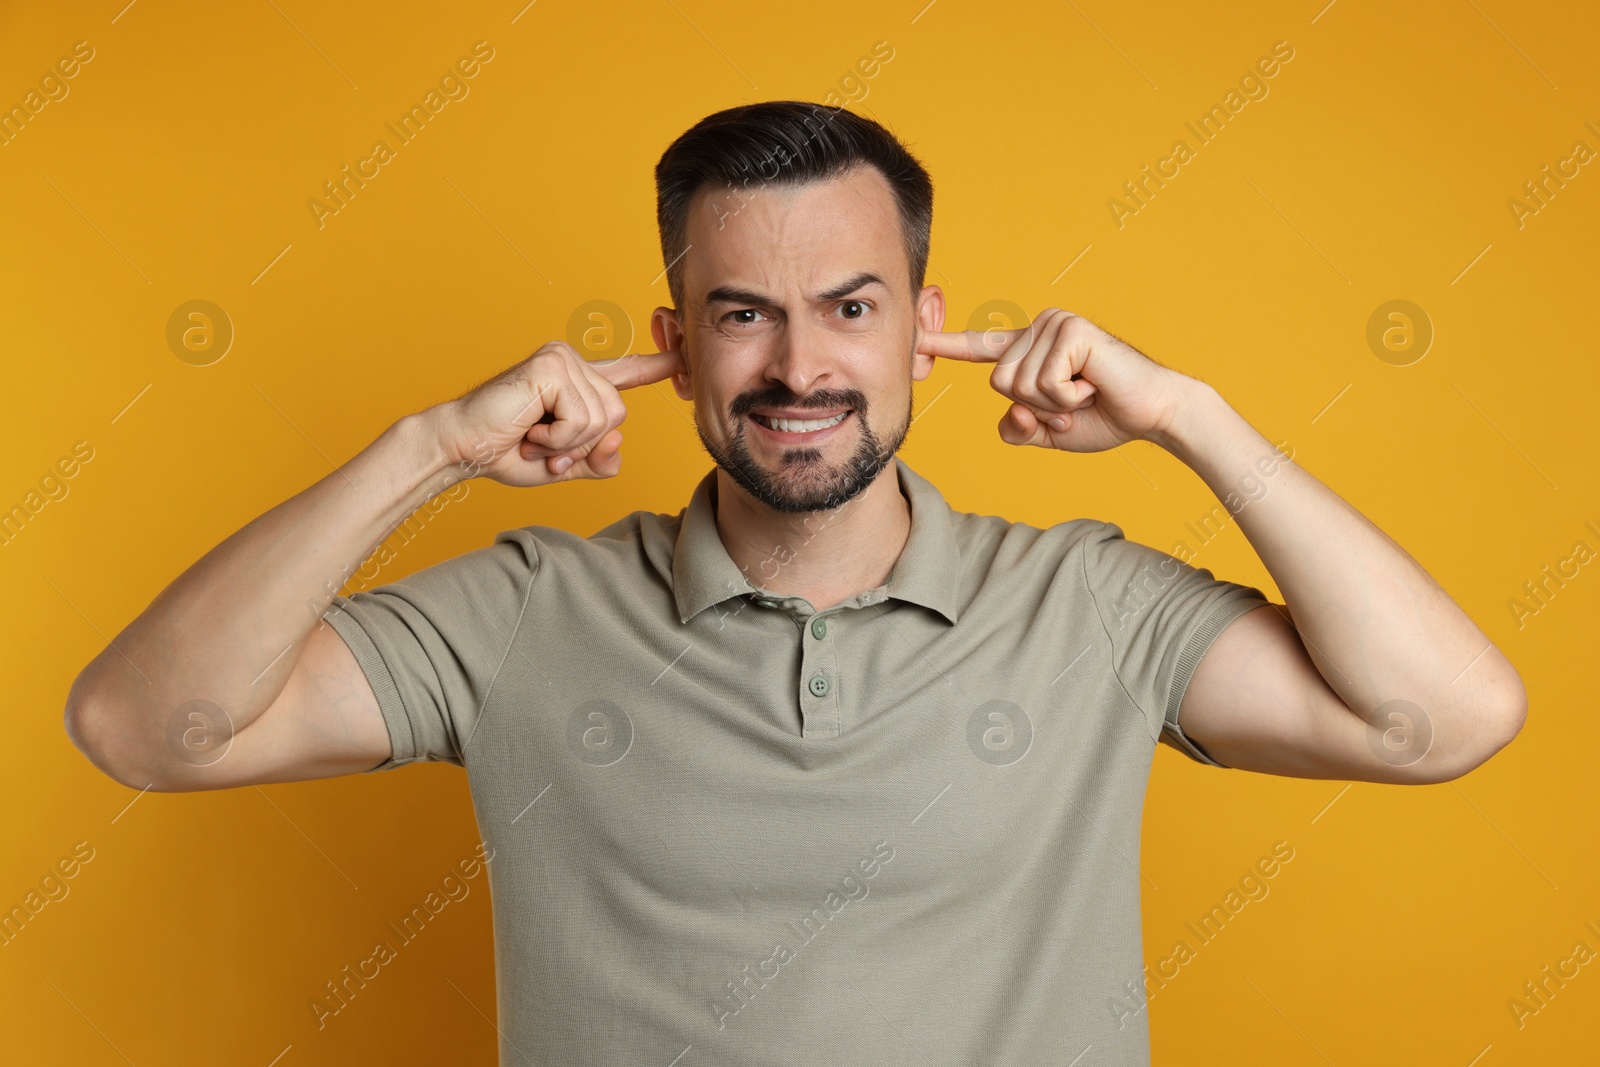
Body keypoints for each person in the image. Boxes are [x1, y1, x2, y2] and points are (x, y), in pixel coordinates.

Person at [63, 101, 1526, 1065]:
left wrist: (1190, 420)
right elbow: (146, 728)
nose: (800, 368)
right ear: (679, 344)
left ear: (926, 331)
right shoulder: (521, 614)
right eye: (743, 316)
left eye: (850, 309)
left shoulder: (1087, 607)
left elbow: (1445, 718)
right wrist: (424, 451)